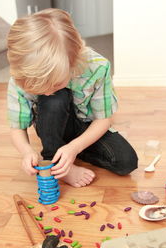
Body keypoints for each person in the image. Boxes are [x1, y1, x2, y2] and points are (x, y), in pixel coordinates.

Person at [7, 8, 138, 188]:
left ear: (74, 60)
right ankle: (55, 160)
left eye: (54, 84)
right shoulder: (21, 75)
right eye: (38, 88)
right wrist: (26, 151)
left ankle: (65, 152)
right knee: (54, 100)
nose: (45, 92)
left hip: (87, 125)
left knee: (126, 162)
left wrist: (75, 148)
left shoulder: (98, 67)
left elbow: (103, 119)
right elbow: (17, 128)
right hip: (52, 121)